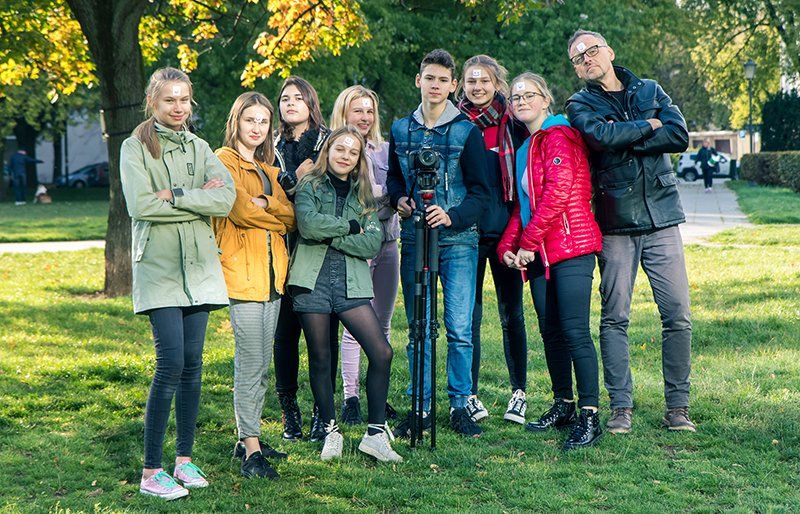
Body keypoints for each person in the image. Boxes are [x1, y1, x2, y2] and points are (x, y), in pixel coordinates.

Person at [565, 29, 695, 434]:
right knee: (614, 317)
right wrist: (648, 126)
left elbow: (678, 135)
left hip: (662, 218)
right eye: (578, 57)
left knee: (677, 316)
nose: (586, 59)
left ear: (609, 51)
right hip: (616, 221)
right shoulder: (580, 103)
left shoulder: (650, 88)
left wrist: (630, 133)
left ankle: (678, 408)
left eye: (592, 50)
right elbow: (600, 138)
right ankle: (621, 407)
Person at [120, 67, 236, 500]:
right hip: (161, 269)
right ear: (153, 101)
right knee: (169, 365)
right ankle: (152, 471)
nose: (178, 107)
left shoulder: (201, 146)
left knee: (192, 366)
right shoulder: (135, 147)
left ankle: (184, 461)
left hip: (201, 269)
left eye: (184, 99)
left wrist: (177, 195)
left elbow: (225, 199)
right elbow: (140, 204)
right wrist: (194, 198)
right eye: (169, 99)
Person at [497, 73, 604, 450]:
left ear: (546, 100)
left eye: (529, 94)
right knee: (551, 332)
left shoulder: (560, 135)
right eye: (515, 96)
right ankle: (564, 403)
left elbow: (558, 193)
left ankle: (590, 414)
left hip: (571, 246)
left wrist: (527, 243)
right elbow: (524, 206)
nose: (522, 100)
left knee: (574, 331)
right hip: (540, 253)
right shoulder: (528, 147)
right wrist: (508, 247)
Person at [387, 49, 490, 438]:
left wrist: (452, 215)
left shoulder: (467, 131)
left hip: (459, 240)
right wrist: (399, 199)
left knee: (459, 328)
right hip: (415, 236)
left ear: (453, 86)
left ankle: (460, 404)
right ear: (419, 81)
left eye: (443, 80)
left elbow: (482, 193)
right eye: (429, 78)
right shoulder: (400, 129)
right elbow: (396, 180)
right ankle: (421, 405)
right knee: (419, 327)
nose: (435, 85)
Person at [288, 126, 401, 463]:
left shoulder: (364, 195)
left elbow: (371, 241)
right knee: (321, 358)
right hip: (312, 280)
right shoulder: (309, 184)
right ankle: (330, 429)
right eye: (340, 149)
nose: (345, 156)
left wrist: (331, 233)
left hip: (351, 282)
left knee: (381, 352)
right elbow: (307, 226)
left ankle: (375, 434)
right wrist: (350, 227)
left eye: (353, 152)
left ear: (357, 161)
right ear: (329, 150)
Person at [213, 92, 295, 479]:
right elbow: (240, 211)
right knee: (250, 365)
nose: (257, 128)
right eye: (250, 121)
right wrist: (269, 211)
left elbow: (291, 217)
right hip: (242, 277)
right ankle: (251, 450)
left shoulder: (266, 168)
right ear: (237, 122)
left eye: (263, 122)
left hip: (272, 279)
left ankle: (249, 437)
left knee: (262, 365)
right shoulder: (221, 161)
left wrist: (267, 207)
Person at [456, 55, 529, 424]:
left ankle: (519, 391)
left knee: (511, 312)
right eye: (471, 80)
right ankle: (468, 394)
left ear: (496, 83)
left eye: (484, 80)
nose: (478, 86)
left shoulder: (513, 123)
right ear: (462, 84)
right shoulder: (453, 123)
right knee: (468, 316)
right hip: (465, 234)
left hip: (506, 232)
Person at [329, 85, 400, 425]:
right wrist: (386, 197)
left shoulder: (386, 151)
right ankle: (351, 396)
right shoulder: (338, 149)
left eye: (369, 111)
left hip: (388, 244)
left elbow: (395, 191)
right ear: (344, 113)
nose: (365, 117)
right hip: (357, 248)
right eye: (358, 110)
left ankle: (378, 394)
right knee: (355, 325)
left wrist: (386, 196)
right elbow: (365, 196)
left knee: (382, 323)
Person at [271, 76, 333, 442]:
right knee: (285, 333)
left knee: (322, 332)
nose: (290, 103)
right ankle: (289, 409)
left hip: (319, 248)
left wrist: (288, 187)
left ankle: (321, 412)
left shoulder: (327, 142)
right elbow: (272, 190)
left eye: (298, 97)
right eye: (285, 98)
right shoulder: (270, 144)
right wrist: (296, 178)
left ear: (311, 102)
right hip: (280, 246)